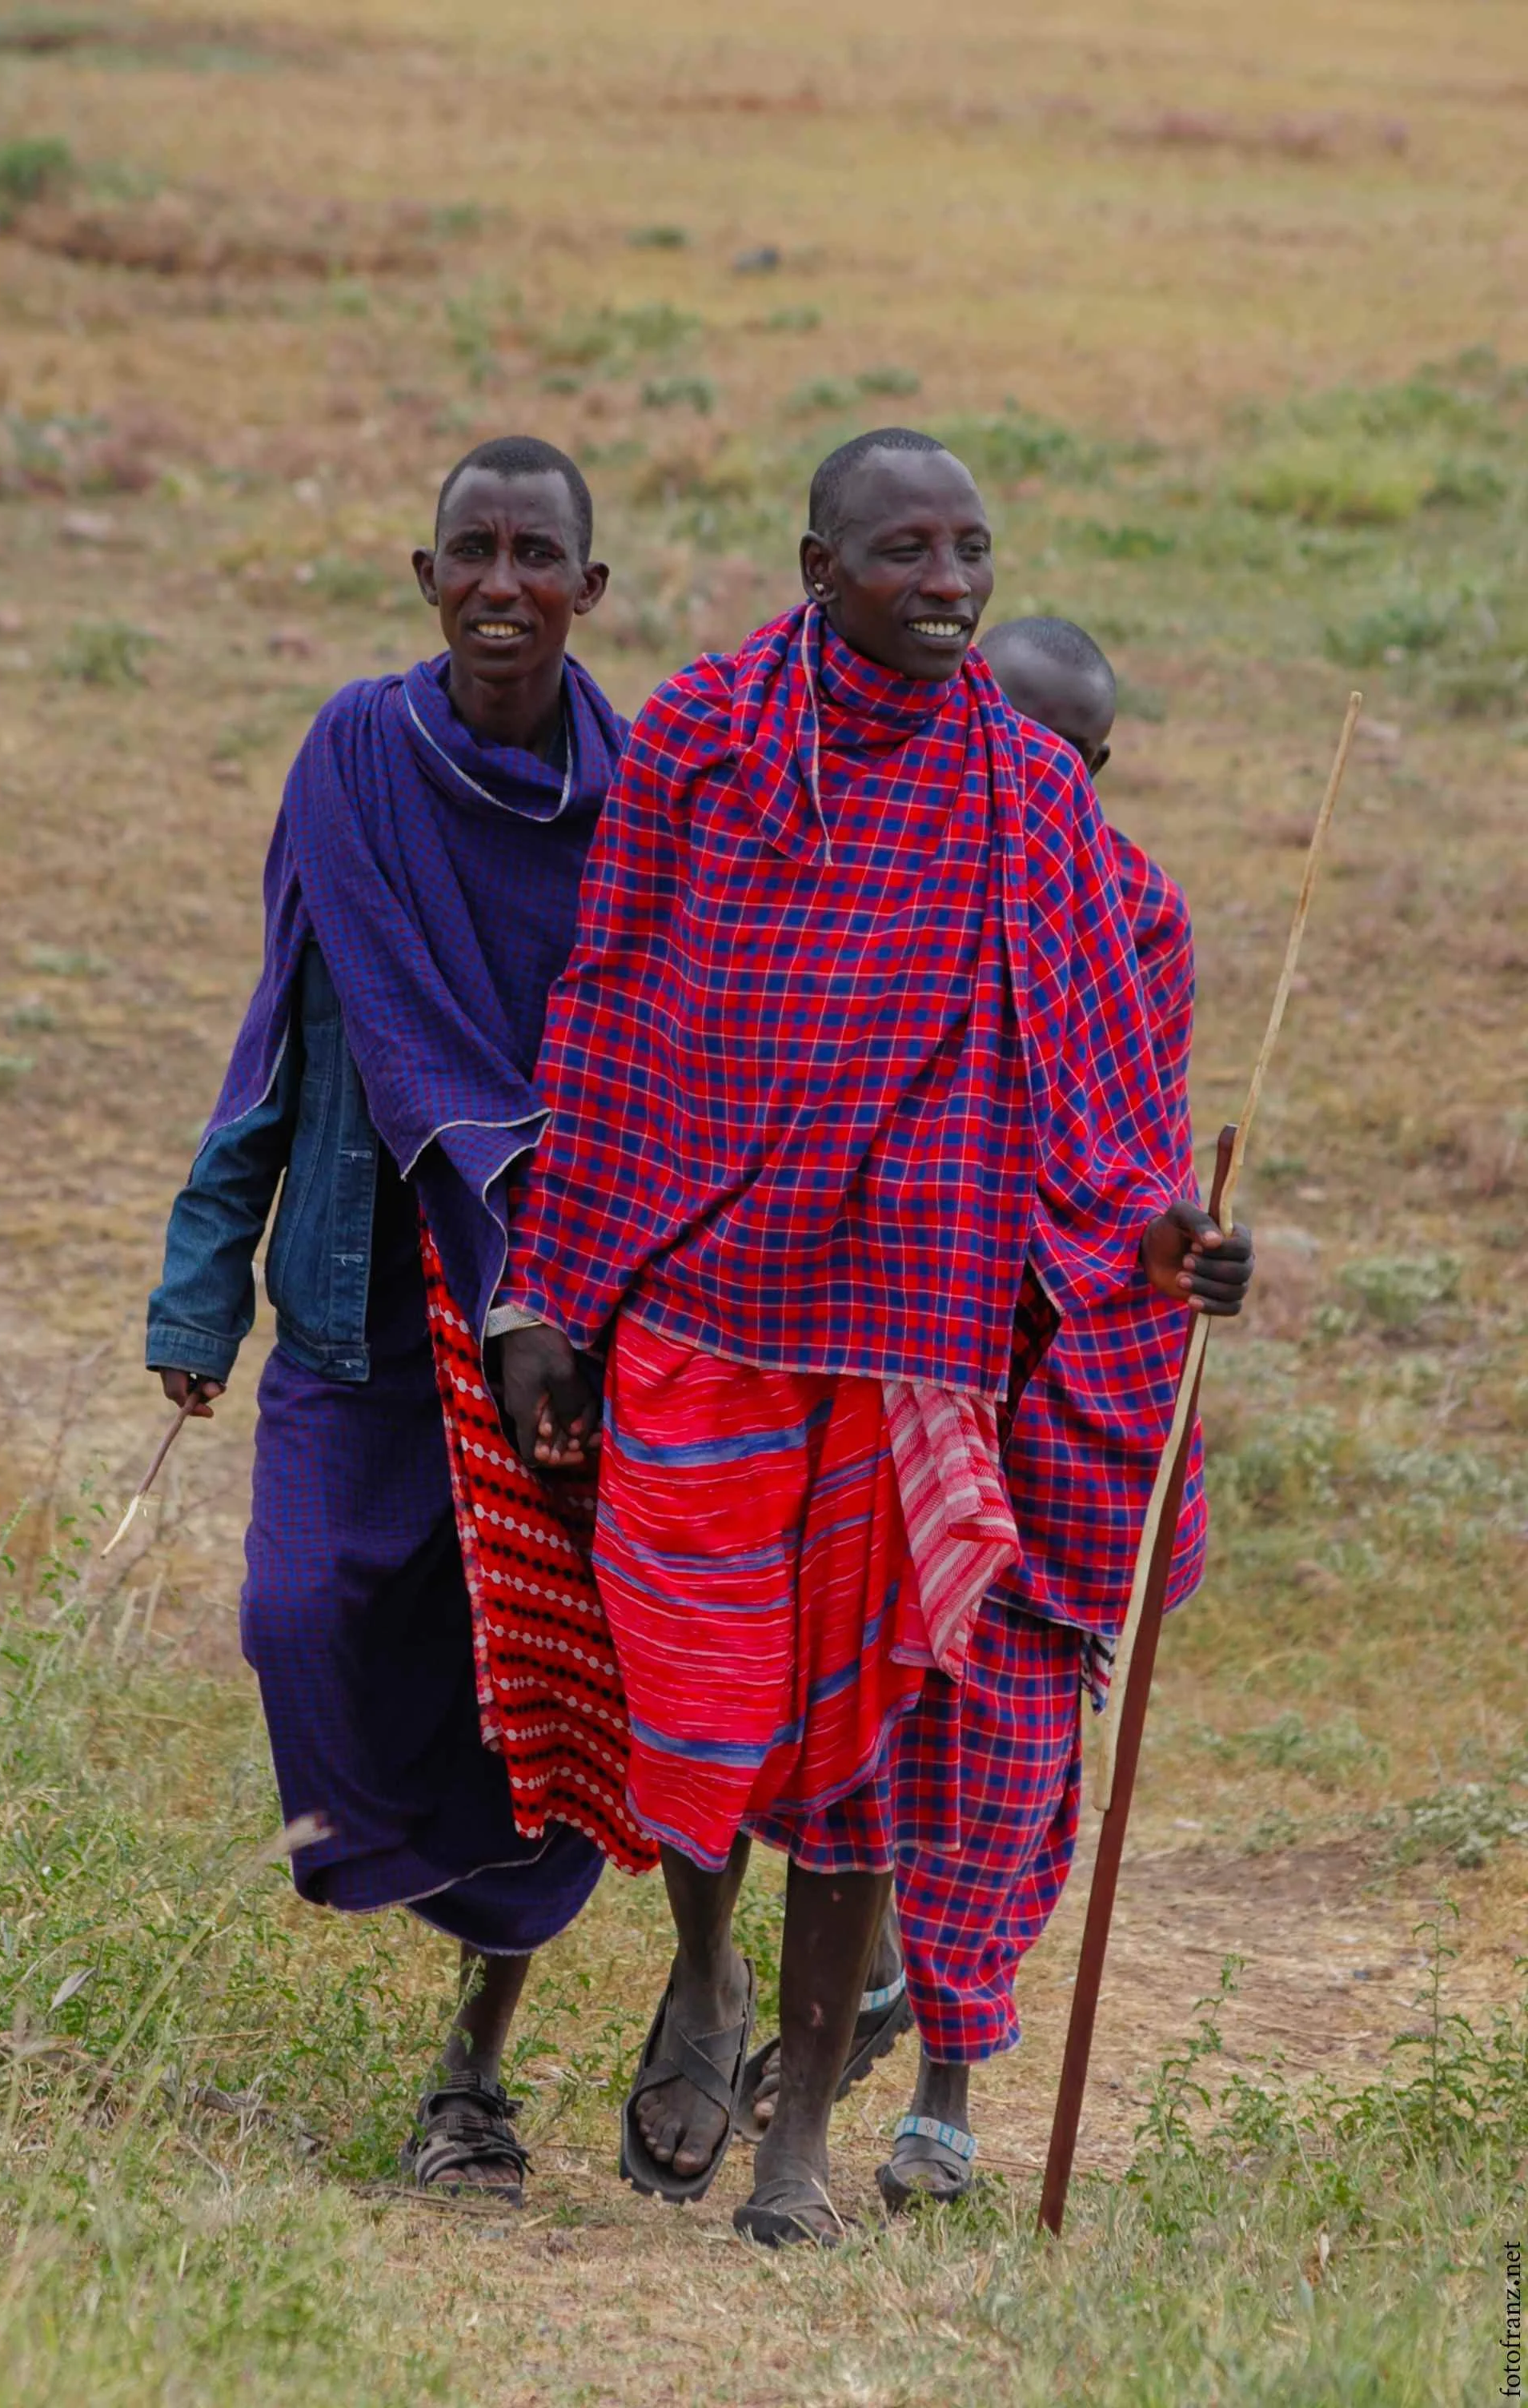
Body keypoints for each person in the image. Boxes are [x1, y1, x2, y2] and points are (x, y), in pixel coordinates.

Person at [493, 432, 1253, 2245]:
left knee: (850, 1735)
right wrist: (548, 1290)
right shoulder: (702, 735)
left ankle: (797, 2151)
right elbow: (604, 1014)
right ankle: (700, 1970)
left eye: (972, 551)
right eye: (905, 551)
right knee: (692, 1691)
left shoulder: (1021, 791)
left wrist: (1166, 1244)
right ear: (815, 563)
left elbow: (1095, 1082)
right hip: (704, 1305)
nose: (948, 585)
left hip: (913, 1334)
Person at [145, 436, 628, 2205]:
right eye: (470, 553)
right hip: (362, 1292)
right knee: (305, 1615)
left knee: (540, 1706)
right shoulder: (356, 752)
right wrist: (204, 1275)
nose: (503, 583)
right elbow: (280, 1017)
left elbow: (651, 1081)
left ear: (592, 587)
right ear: (422, 580)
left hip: (564, 1340)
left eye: (537, 554)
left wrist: (553, 1295)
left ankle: (473, 2079)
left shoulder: (643, 798)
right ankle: (432, 1917)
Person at [747, 614, 1249, 2205]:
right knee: (865, 1708)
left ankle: (948, 2073)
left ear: (1084, 771)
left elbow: (1135, 1154)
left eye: (1048, 754)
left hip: (1068, 1360)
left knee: (1018, 1731)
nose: (1009, 770)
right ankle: (845, 1995)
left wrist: (1182, 1260)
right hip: (892, 1344)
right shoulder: (876, 880)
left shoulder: (1140, 919)